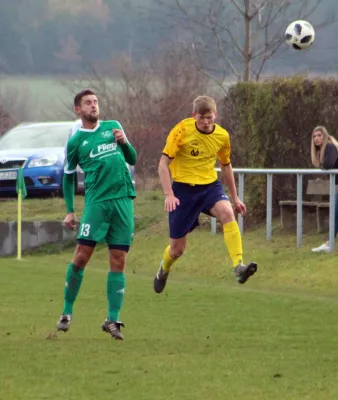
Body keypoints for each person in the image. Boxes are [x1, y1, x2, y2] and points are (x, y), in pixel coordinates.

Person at [153, 96, 257, 293]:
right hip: (183, 190)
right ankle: (163, 269)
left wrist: (235, 198)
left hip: (209, 187)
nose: (206, 122)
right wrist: (169, 194)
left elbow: (226, 165)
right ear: (194, 116)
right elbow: (162, 164)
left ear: (215, 115)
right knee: (177, 250)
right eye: (202, 118)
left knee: (227, 213)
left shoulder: (222, 136)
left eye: (210, 117)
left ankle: (238, 267)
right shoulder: (182, 131)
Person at [56, 89, 137, 340]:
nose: (93, 106)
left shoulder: (113, 127)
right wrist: (70, 211)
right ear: (78, 109)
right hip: (96, 204)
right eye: (88, 103)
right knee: (82, 256)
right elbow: (68, 176)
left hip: (123, 200)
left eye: (96, 102)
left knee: (119, 259)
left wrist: (124, 142)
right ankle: (67, 312)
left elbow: (132, 158)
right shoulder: (76, 141)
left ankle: (112, 319)